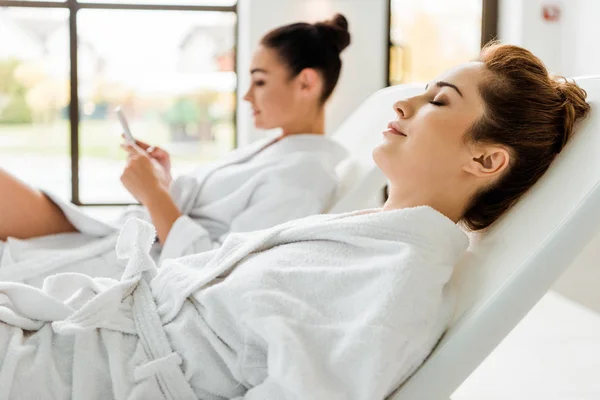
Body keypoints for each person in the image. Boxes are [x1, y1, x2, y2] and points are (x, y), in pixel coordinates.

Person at [0, 44, 590, 399]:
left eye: (438, 101)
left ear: (485, 159)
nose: (403, 104)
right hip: (78, 338)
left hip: (85, 377)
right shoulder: (365, 236)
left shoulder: (398, 283)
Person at [0, 14, 351, 282]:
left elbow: (220, 270)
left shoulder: (305, 175)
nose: (247, 96)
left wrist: (154, 195)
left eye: (260, 81)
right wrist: (163, 184)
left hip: (134, 262)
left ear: (305, 82)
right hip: (120, 237)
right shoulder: (277, 148)